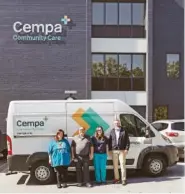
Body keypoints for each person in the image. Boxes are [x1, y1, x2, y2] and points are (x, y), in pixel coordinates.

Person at [108, 119, 130, 186]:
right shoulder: (112, 131)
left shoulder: (124, 131)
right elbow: (110, 141)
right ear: (114, 124)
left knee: (122, 165)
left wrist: (126, 149)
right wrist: (109, 150)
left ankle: (123, 179)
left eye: (117, 123)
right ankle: (117, 179)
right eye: (115, 123)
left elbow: (127, 141)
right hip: (114, 151)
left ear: (119, 123)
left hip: (122, 150)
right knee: (115, 166)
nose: (116, 124)